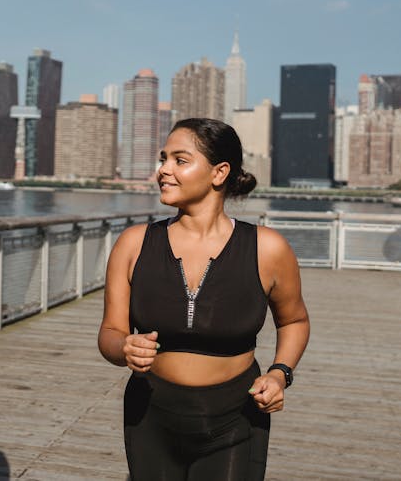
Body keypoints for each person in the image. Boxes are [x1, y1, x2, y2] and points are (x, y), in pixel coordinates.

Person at [98, 118, 310, 480]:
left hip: (235, 416)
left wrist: (279, 374)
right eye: (163, 159)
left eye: (180, 160)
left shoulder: (268, 248)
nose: (163, 170)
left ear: (219, 172)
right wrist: (125, 347)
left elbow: (294, 321)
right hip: (150, 413)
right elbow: (110, 333)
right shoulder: (133, 244)